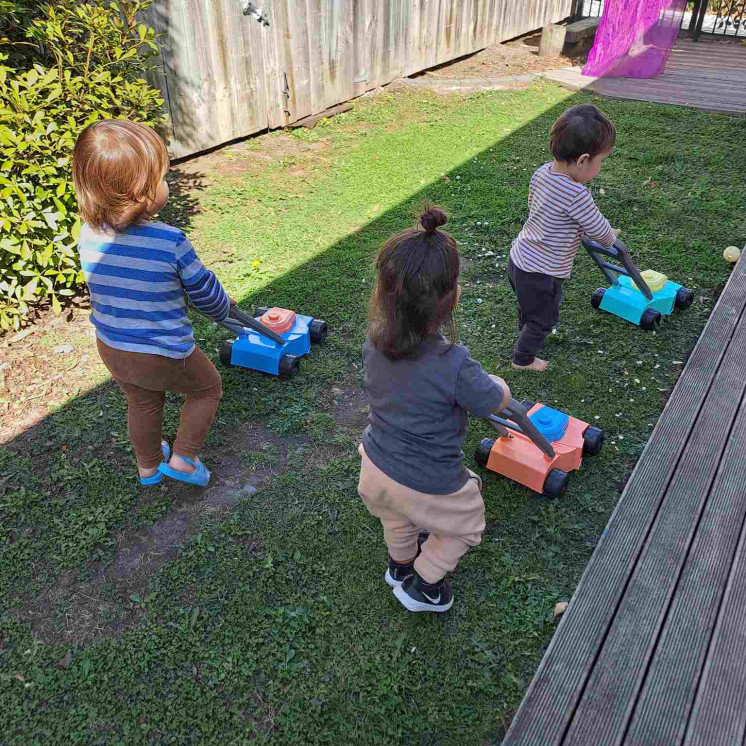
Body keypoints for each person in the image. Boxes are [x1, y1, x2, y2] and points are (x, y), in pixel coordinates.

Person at [359, 207, 511, 613]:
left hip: (374, 466)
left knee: (396, 517)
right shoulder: (455, 364)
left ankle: (399, 563)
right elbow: (492, 401)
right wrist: (501, 387)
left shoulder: (373, 344)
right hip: (426, 480)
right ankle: (423, 585)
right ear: (451, 297)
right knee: (466, 525)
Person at [72, 119, 233, 487]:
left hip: (112, 345)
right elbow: (204, 293)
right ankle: (183, 459)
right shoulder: (170, 241)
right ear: (142, 192)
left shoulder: (88, 235)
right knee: (206, 389)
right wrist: (223, 309)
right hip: (162, 351)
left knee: (143, 402)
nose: (166, 184)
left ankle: (148, 466)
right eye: (161, 178)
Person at [508, 104, 620, 372]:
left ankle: (527, 331)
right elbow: (598, 230)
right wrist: (609, 237)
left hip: (519, 259)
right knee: (544, 317)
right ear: (582, 160)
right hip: (542, 271)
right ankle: (523, 360)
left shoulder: (542, 172)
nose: (600, 168)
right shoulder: (576, 194)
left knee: (529, 307)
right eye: (600, 162)